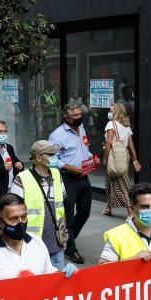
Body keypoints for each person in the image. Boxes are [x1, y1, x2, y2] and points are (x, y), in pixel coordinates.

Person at [48, 101, 93, 265]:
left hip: (84, 176)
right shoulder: (57, 135)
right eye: (75, 115)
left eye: (80, 114)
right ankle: (71, 249)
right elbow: (50, 157)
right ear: (65, 117)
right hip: (67, 177)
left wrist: (91, 159)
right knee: (68, 217)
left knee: (85, 212)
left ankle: (68, 239)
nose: (79, 117)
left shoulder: (81, 128)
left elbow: (84, 148)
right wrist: (69, 167)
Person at [11, 141, 67, 267]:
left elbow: (61, 209)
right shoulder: (22, 178)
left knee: (58, 283)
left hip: (56, 243)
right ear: (39, 157)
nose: (55, 157)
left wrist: (63, 236)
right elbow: (13, 213)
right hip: (32, 245)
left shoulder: (57, 175)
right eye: (51, 154)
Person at [103, 102, 141, 217]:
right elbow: (131, 145)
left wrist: (105, 158)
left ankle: (131, 212)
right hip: (124, 155)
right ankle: (108, 207)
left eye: (111, 110)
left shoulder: (111, 124)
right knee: (109, 182)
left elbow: (109, 143)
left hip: (114, 156)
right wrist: (134, 160)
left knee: (122, 184)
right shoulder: (126, 126)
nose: (109, 112)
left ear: (117, 112)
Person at [0, 120, 24, 200]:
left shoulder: (9, 147)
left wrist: (20, 165)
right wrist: (3, 167)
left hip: (12, 188)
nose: (3, 134)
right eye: (0, 131)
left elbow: (16, 161)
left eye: (5, 131)